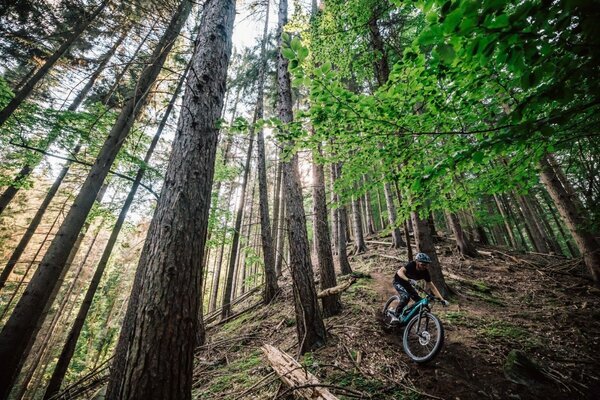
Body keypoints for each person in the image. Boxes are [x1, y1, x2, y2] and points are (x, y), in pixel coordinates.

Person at [391, 252, 448, 322]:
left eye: (426, 265)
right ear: (417, 262)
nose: (424, 267)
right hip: (398, 281)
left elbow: (432, 286)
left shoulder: (425, 272)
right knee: (406, 297)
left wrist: (442, 299)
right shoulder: (411, 265)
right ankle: (395, 315)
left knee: (420, 301)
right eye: (422, 264)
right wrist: (408, 280)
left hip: (408, 284)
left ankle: (407, 316)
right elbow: (399, 272)